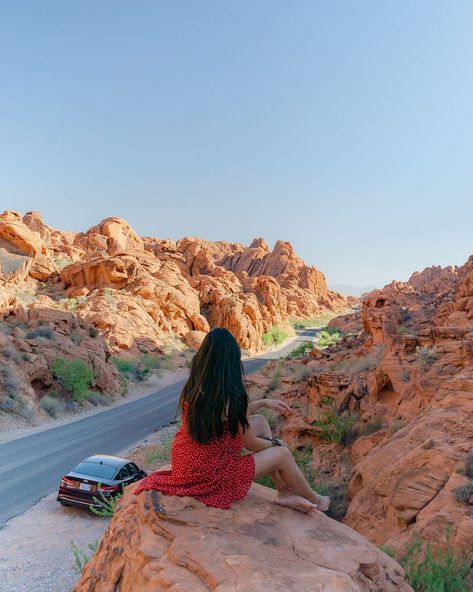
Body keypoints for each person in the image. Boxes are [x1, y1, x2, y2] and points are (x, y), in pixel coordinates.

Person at [134, 328, 330, 513]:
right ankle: (318, 500)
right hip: (211, 476)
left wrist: (262, 403)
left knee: (260, 421)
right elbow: (251, 442)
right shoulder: (232, 394)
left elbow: (229, 416)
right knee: (282, 455)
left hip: (186, 466)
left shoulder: (197, 385)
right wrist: (276, 444)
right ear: (232, 361)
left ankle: (284, 491)